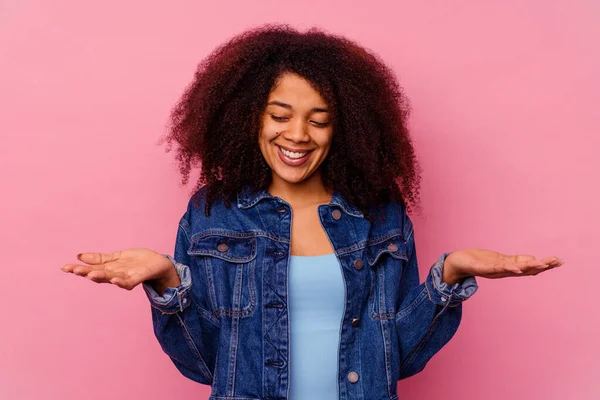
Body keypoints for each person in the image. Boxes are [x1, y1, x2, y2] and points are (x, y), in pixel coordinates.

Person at [61, 24, 565, 400]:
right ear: (248, 119)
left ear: (344, 129)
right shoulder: (213, 214)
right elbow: (205, 365)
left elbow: (398, 359)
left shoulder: (380, 217)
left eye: (318, 120)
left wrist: (448, 280)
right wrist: (170, 283)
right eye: (280, 115)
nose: (297, 135)